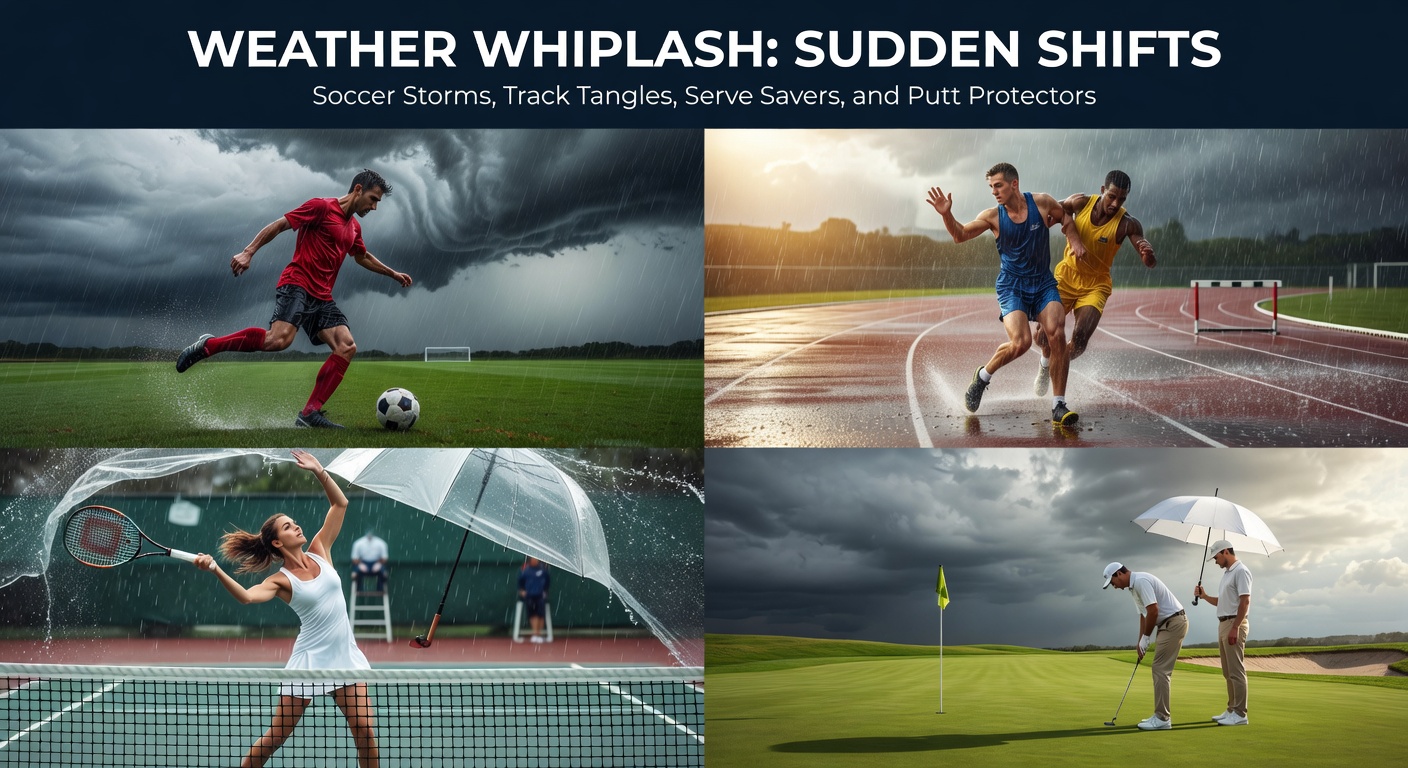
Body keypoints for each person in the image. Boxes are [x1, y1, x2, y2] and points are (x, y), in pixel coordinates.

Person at [176, 169, 413, 429]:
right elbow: (280, 224)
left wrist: (393, 273)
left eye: (377, 202)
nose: (374, 207)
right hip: (297, 283)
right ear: (358, 190)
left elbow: (362, 256)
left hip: (322, 297)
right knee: (278, 340)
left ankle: (310, 414)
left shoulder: (355, 227)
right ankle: (208, 346)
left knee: (346, 346)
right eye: (373, 199)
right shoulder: (321, 207)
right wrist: (248, 252)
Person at [193, 450, 379, 768]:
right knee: (276, 737)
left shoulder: (320, 550)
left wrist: (319, 470)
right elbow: (247, 597)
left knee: (364, 730)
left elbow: (340, 504)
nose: (297, 527)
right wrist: (216, 570)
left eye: (294, 523)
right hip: (308, 662)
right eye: (288, 527)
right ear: (278, 543)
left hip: (345, 658)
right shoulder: (280, 581)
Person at [926, 163, 1087, 426]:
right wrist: (947, 215)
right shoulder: (993, 216)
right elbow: (960, 235)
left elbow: (1066, 218)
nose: (994, 192)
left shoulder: (1042, 203)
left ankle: (1058, 405)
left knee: (1057, 333)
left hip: (1043, 283)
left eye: (998, 185)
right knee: (1021, 342)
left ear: (1014, 184)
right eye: (991, 187)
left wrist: (1075, 240)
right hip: (1012, 287)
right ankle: (983, 376)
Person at [1032, 170, 1158, 396]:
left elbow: (1148, 259)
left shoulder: (1128, 224)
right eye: (1112, 196)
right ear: (1102, 191)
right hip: (1066, 277)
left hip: (1095, 286)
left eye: (1121, 199)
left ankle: (1056, 366)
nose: (1115, 204)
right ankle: (1045, 363)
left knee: (1079, 340)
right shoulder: (1080, 203)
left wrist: (1148, 256)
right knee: (1041, 336)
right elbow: (1049, 209)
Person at [1102, 562, 1189, 730]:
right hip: (1166, 624)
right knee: (1159, 668)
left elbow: (1153, 610)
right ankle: (1160, 715)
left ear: (1119, 574)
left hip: (1174, 622)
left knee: (1160, 669)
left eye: (1113, 582)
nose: (1114, 586)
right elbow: (1144, 615)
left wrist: (1147, 636)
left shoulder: (1141, 581)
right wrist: (1141, 641)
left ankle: (1162, 718)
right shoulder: (1133, 588)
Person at [1194, 539, 1253, 726]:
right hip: (1223, 623)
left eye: (1216, 557)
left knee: (1236, 671)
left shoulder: (1241, 571)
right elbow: (1223, 602)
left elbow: (1245, 601)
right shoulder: (1228, 574)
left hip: (1235, 623)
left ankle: (1240, 714)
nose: (1215, 561)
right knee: (1228, 672)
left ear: (1226, 552)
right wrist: (1204, 596)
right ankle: (1231, 709)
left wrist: (1236, 627)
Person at [518, 556, 551, 643]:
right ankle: (535, 634)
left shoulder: (543, 570)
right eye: (533, 558)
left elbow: (547, 581)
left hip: (540, 596)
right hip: (530, 596)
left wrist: (545, 591)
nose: (536, 559)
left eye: (536, 558)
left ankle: (538, 634)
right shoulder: (525, 570)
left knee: (540, 615)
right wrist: (522, 591)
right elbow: (520, 583)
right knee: (533, 615)